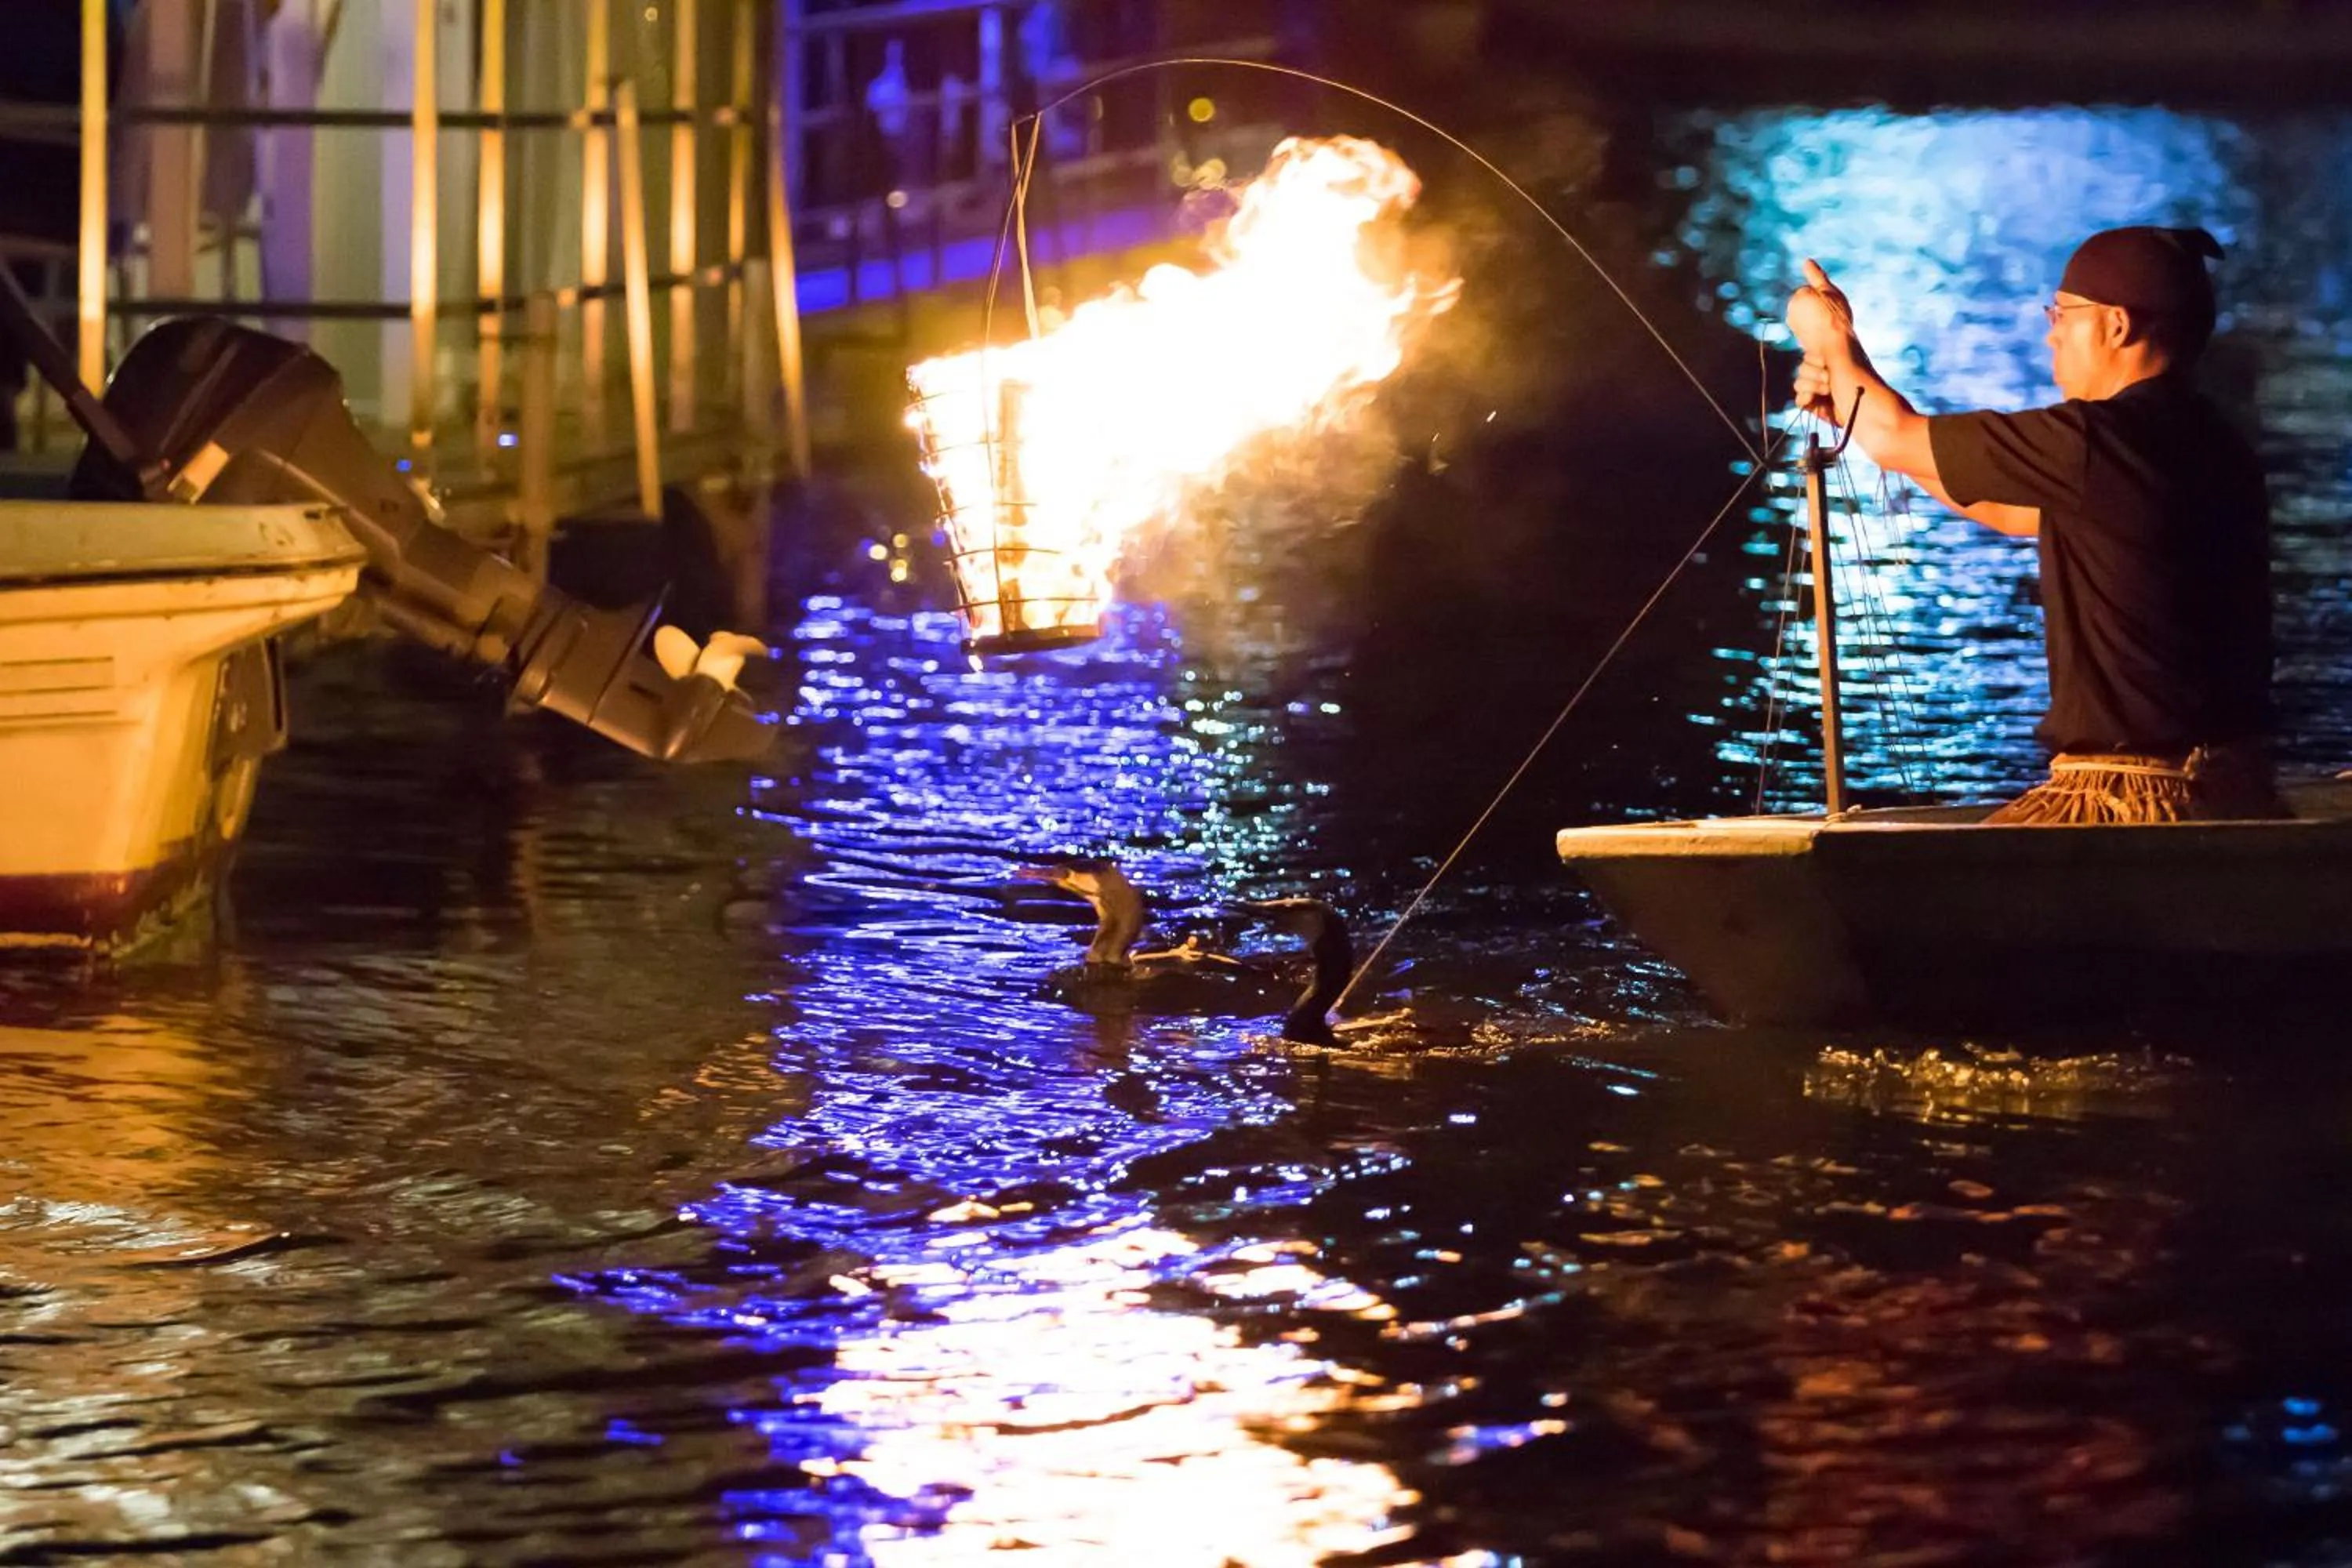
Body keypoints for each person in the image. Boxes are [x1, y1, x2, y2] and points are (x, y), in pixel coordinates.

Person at [1784, 226, 2281, 825]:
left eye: (2062, 314)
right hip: (2234, 787)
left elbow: (1895, 437)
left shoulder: (2094, 442)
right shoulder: (2213, 443)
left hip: (2138, 798)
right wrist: (1855, 407)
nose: (2051, 334)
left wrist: (1832, 340)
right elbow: (2002, 508)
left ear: (2116, 326)